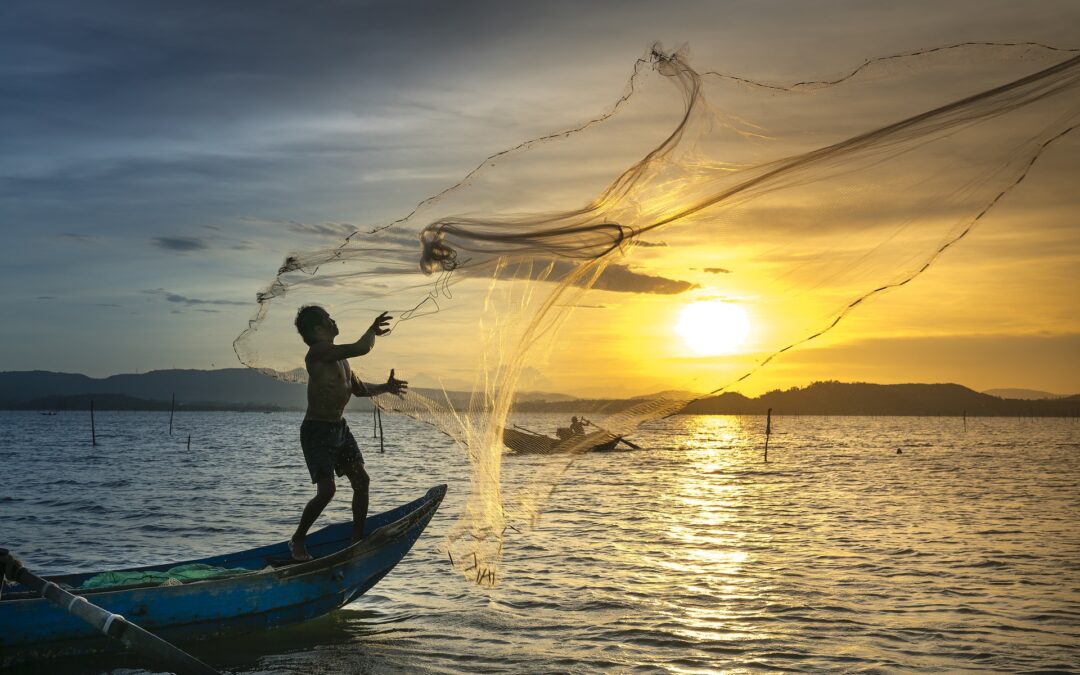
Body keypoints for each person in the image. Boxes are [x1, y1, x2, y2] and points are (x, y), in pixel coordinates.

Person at [288, 305, 407, 562]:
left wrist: (386, 387)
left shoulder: (341, 359)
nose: (334, 320)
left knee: (361, 481)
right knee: (327, 491)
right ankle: (297, 539)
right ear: (318, 328)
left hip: (339, 428)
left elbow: (360, 390)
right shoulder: (318, 353)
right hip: (317, 431)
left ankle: (357, 539)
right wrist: (372, 330)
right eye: (328, 318)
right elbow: (362, 347)